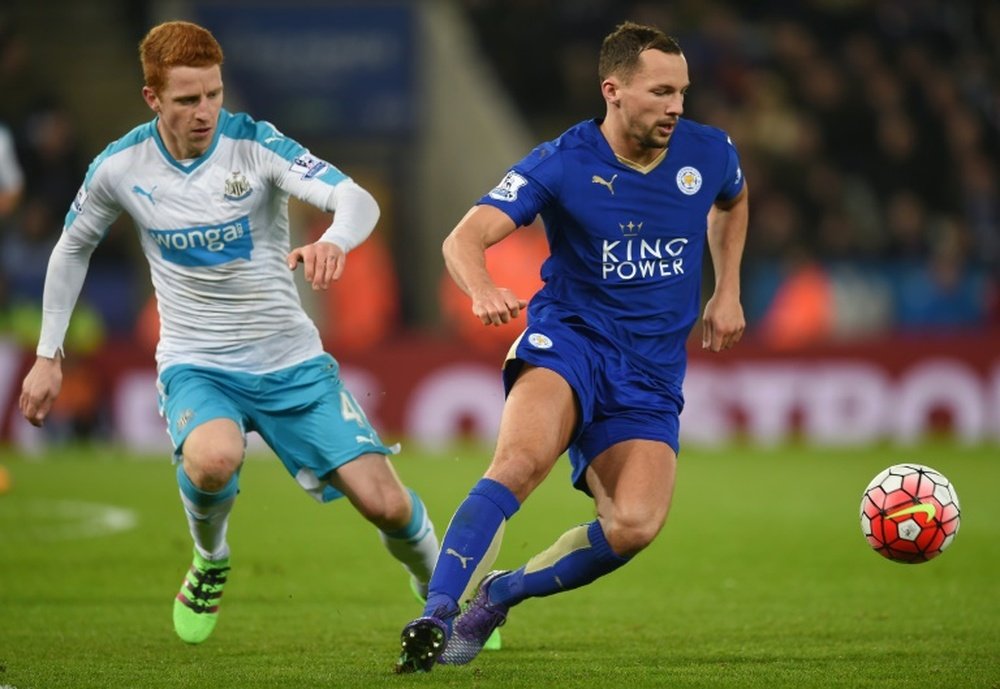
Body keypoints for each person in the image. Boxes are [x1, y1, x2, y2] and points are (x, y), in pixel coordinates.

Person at [18, 20, 441, 645]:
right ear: (152, 99)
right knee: (214, 459)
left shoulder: (255, 145)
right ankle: (210, 560)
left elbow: (355, 199)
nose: (205, 110)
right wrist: (48, 355)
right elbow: (70, 249)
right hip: (198, 362)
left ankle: (442, 592)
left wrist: (335, 239)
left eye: (213, 94)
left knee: (386, 505)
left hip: (289, 361)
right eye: (187, 99)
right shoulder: (119, 166)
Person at [395, 20, 748, 672]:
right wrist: (480, 288)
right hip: (570, 341)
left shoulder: (709, 152)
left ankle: (499, 594)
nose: (676, 106)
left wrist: (726, 289)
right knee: (520, 461)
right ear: (613, 90)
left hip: (649, 369)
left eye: (682, 92)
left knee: (636, 524)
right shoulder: (562, 161)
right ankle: (435, 614)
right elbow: (462, 240)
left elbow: (733, 198)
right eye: (660, 92)